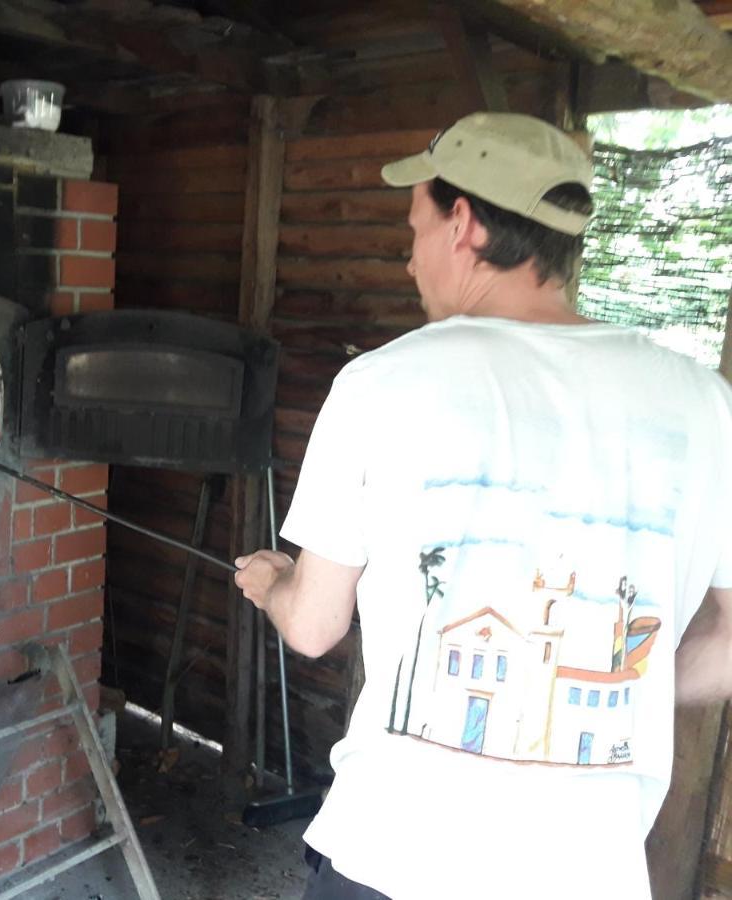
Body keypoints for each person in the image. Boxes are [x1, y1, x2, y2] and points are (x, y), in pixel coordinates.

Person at [234, 111, 732, 900]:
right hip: (589, 878)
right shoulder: (709, 404)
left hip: (395, 860)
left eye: (415, 228)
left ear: (462, 224)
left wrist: (270, 582)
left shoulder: (382, 384)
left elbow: (313, 625)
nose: (409, 259)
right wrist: (622, 681)